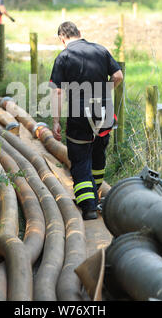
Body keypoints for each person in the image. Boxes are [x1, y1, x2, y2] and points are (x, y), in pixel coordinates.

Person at [49, 21, 123, 220]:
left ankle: (89, 207)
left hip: (79, 116)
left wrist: (56, 121)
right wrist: (106, 90)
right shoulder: (100, 50)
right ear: (79, 33)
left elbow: (56, 92)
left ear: (62, 39)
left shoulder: (64, 56)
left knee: (81, 159)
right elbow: (118, 75)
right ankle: (95, 194)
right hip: (104, 115)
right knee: (98, 156)